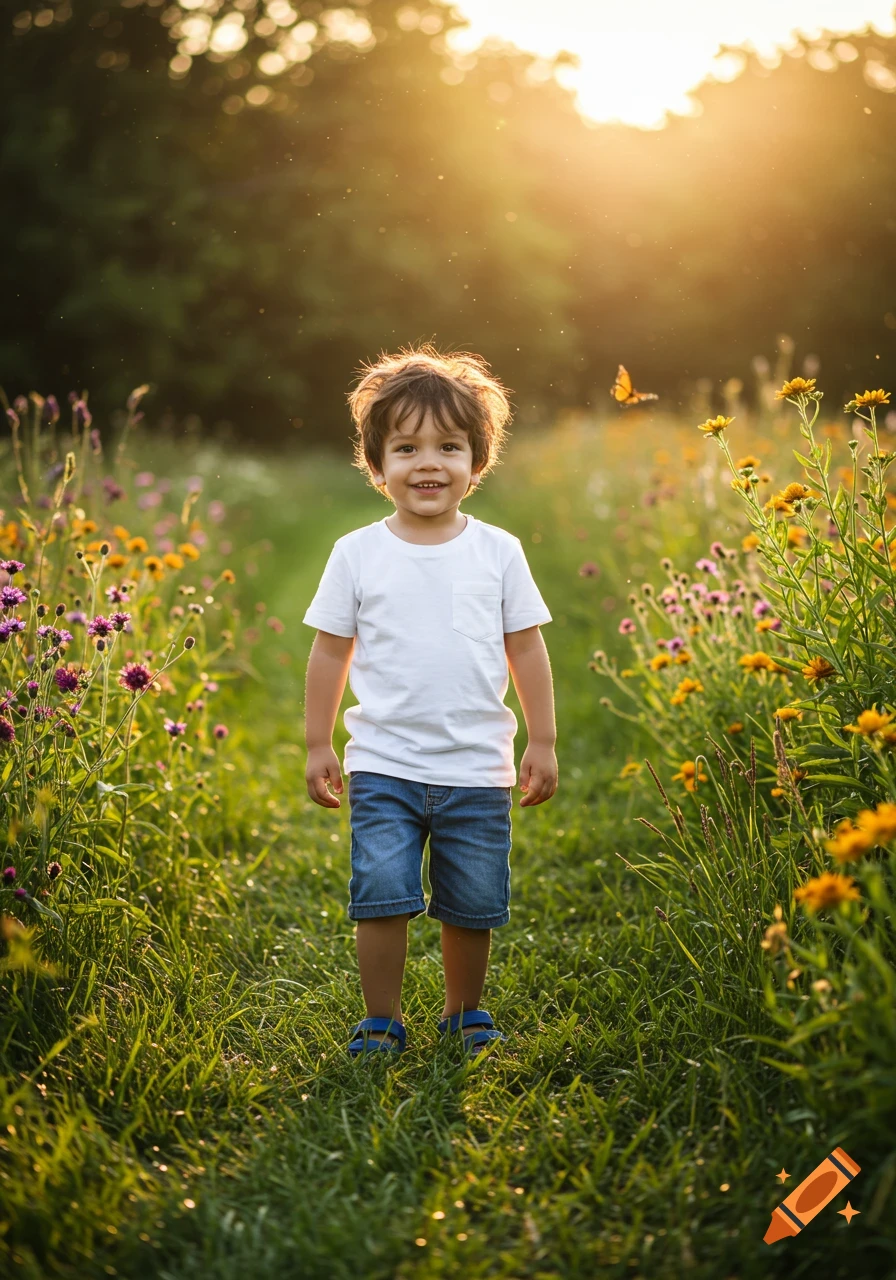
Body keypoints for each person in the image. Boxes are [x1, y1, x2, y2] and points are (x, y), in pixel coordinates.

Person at [302, 342, 557, 1059]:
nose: (428, 464)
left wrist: (541, 740)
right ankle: (381, 1018)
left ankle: (463, 1011)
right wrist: (321, 743)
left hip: (478, 764)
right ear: (376, 464)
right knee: (381, 893)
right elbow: (329, 651)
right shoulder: (357, 553)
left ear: (477, 462)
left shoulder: (498, 551)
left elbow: (527, 648)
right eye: (406, 447)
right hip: (384, 760)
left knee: (470, 902)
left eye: (449, 446)